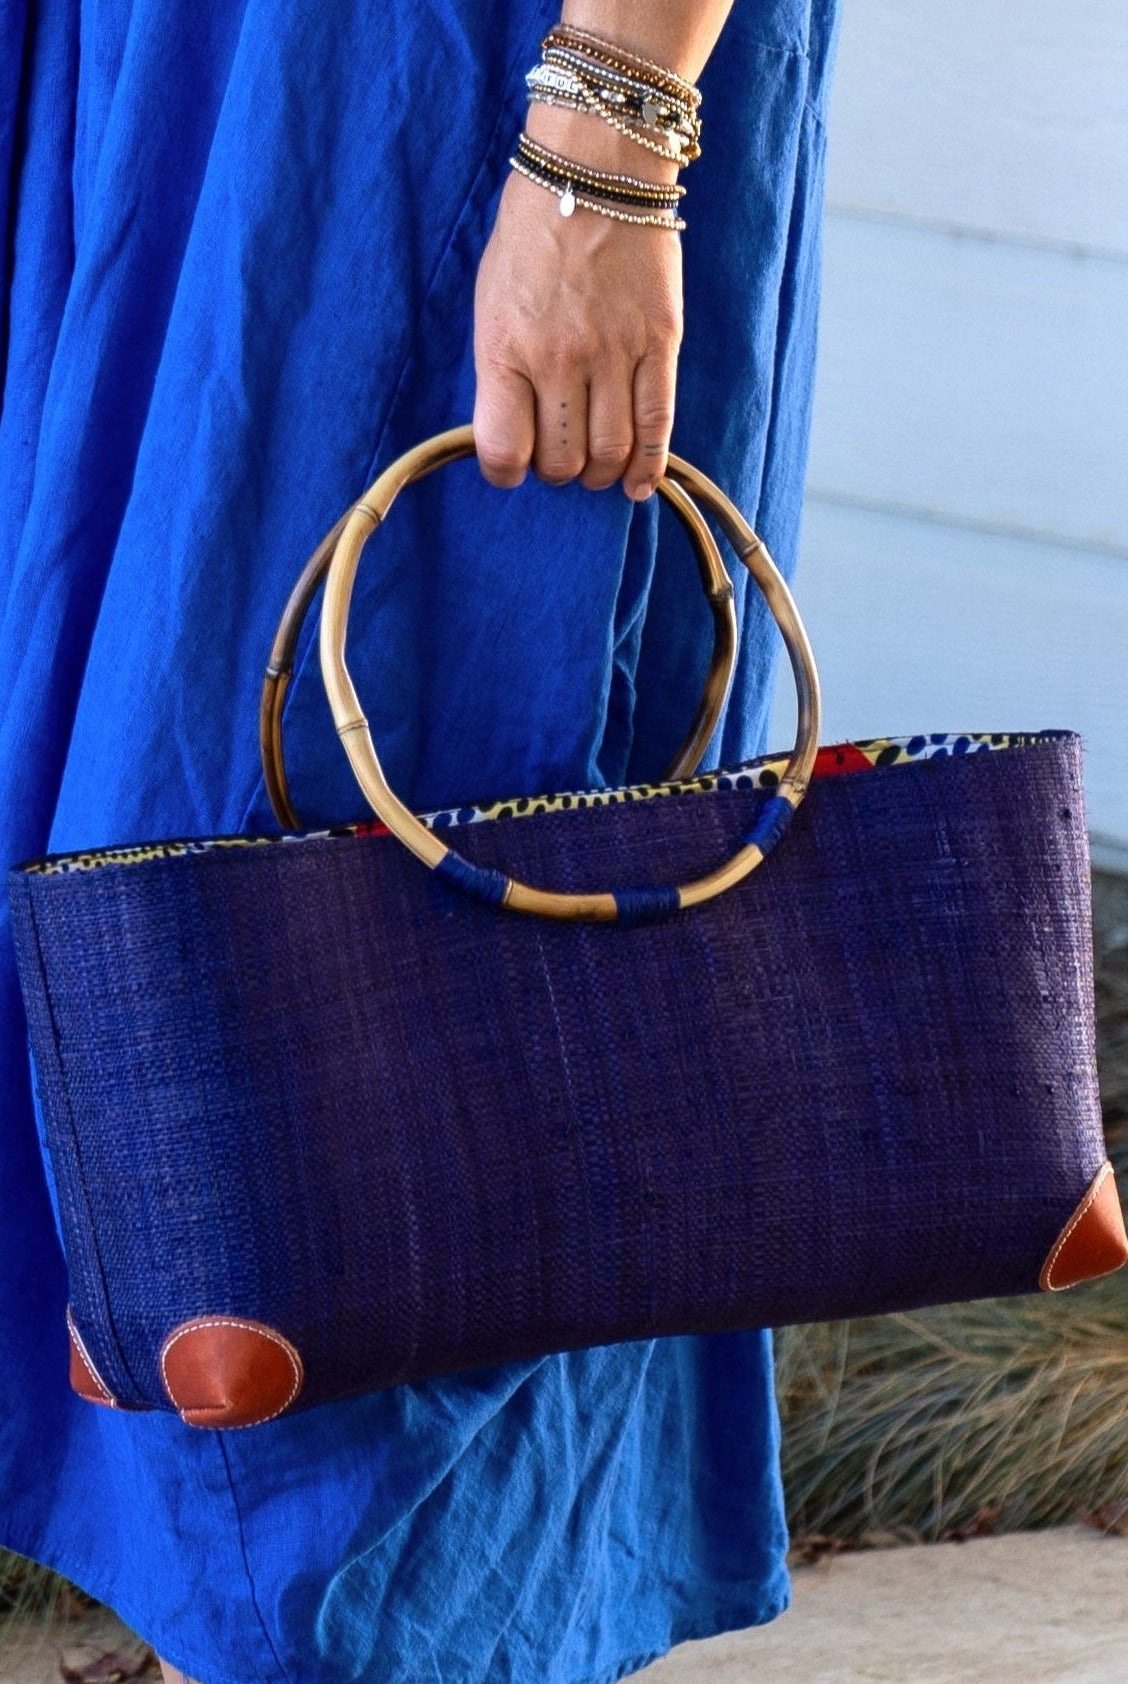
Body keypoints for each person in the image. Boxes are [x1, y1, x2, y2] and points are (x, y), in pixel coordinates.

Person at [0, 2, 841, 1680]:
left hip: (454, 87)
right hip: (167, 71)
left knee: (392, 968)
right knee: (134, 886)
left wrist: (610, 123)